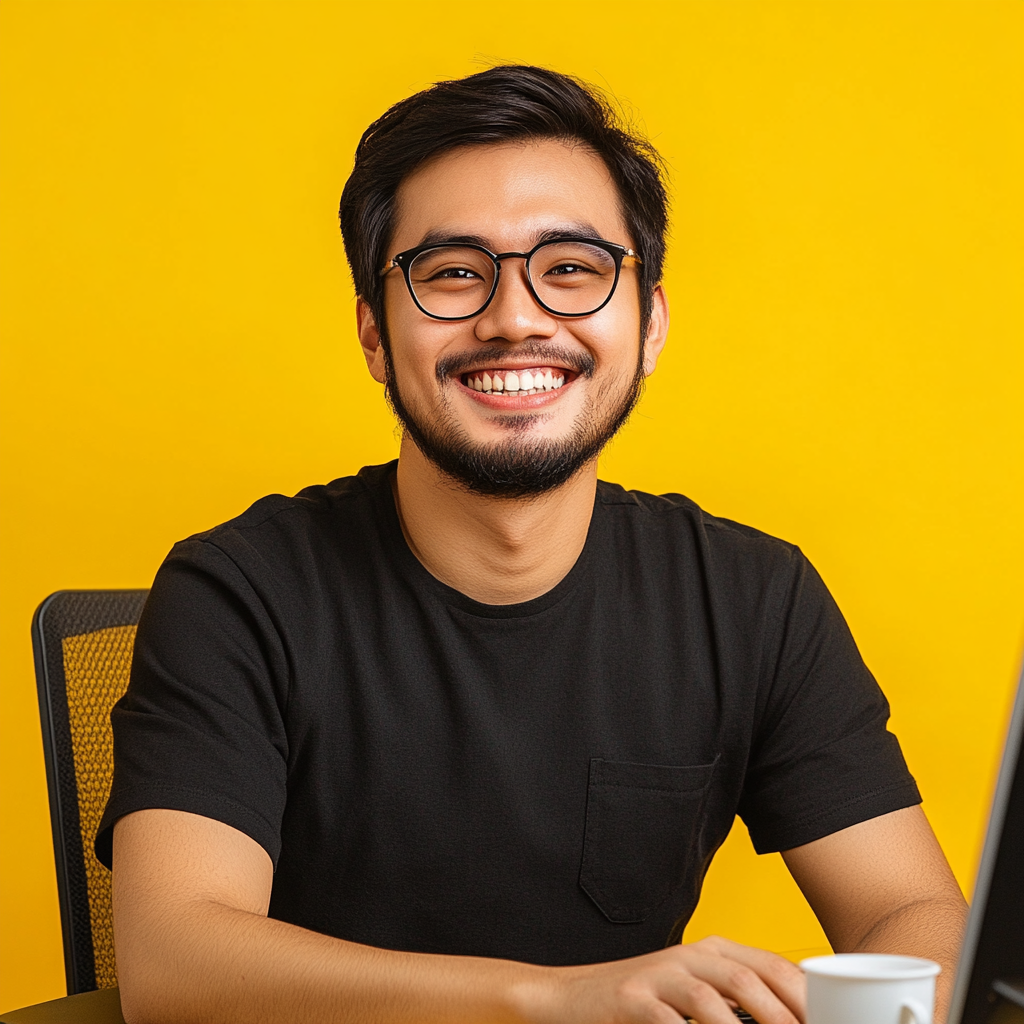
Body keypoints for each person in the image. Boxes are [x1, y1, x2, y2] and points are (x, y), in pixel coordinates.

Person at [98, 66, 967, 1024]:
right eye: (454, 273)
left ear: (650, 324)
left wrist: (817, 1007)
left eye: (571, 269)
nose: (515, 318)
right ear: (374, 336)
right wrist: (550, 1001)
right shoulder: (238, 591)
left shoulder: (751, 597)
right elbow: (173, 960)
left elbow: (913, 909)